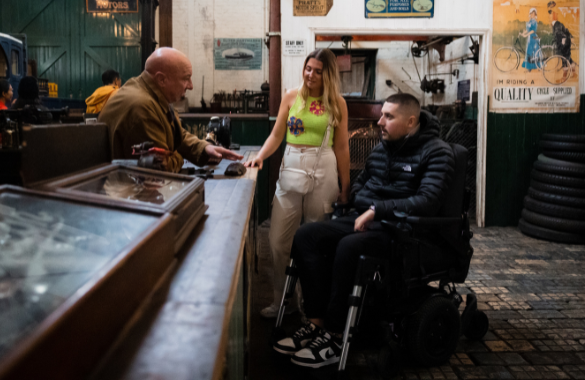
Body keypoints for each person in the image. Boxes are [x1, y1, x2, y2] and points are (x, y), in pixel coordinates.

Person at [273, 94, 455, 368]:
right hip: (367, 217)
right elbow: (361, 184)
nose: (379, 121)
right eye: (381, 114)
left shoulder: (437, 152)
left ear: (410, 121)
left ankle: (335, 335)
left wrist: (378, 210)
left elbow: (427, 201)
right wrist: (362, 203)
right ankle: (316, 324)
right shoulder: (382, 148)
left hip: (404, 230)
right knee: (306, 236)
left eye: (388, 117)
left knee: (349, 245)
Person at [245, 48, 351, 319]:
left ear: (327, 74)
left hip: (324, 170)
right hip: (291, 167)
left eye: (317, 70)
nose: (310, 74)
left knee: (315, 241)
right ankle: (284, 300)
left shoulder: (337, 103)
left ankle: (313, 303)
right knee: (278, 239)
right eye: (307, 68)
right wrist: (259, 156)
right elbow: (276, 135)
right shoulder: (291, 97)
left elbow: (341, 147)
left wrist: (345, 186)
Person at [99, 48, 242, 172]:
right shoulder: (143, 108)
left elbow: (176, 135)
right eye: (186, 78)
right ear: (161, 79)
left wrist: (204, 148)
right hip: (133, 197)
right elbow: (160, 166)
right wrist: (180, 155)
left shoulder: (149, 94)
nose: (191, 86)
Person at [548, 1, 575, 79]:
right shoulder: (555, 24)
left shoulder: (557, 24)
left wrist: (563, 40)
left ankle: (564, 76)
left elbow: (560, 33)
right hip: (565, 41)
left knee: (564, 58)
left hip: (564, 42)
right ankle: (574, 73)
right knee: (568, 58)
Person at [520, 8, 540, 72]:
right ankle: (529, 68)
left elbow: (533, 30)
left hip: (533, 37)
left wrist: (526, 35)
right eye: (531, 13)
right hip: (529, 38)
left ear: (535, 14)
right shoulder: (529, 21)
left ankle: (536, 67)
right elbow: (528, 29)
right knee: (529, 52)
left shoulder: (534, 22)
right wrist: (523, 33)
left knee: (533, 52)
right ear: (530, 14)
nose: (532, 15)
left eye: (534, 14)